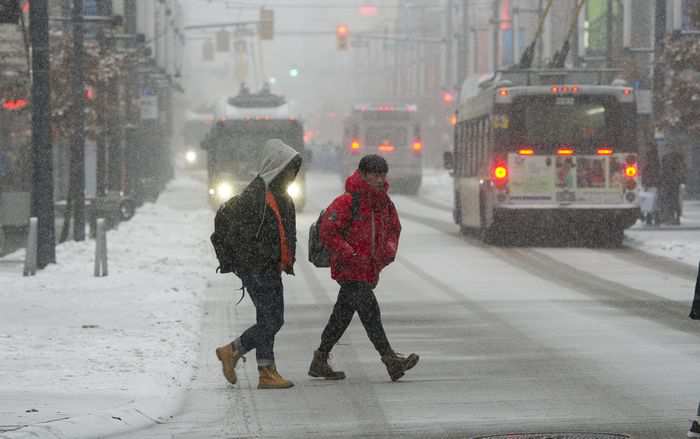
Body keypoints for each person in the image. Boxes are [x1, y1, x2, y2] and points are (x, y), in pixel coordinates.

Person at [308, 154, 419, 382]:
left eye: (382, 175)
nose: (379, 180)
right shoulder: (348, 201)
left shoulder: (384, 204)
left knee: (342, 315)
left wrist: (385, 255)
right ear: (363, 174)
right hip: (349, 269)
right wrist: (349, 253)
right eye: (374, 175)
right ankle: (390, 360)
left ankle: (320, 358)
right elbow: (328, 231)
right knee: (370, 313)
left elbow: (394, 230)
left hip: (367, 268)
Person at [215, 139, 302, 390]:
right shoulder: (255, 196)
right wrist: (257, 261)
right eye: (288, 169)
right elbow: (243, 235)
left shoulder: (280, 196)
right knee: (271, 320)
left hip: (269, 267)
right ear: (276, 167)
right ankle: (245, 358)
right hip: (258, 268)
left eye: (294, 170)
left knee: (270, 319)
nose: (292, 175)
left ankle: (256, 365)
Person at [660, 145, 686, 225]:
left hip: (669, 182)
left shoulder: (667, 158)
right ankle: (675, 217)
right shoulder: (678, 158)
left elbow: (664, 171)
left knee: (669, 200)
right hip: (675, 182)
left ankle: (671, 217)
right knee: (675, 200)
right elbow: (682, 170)